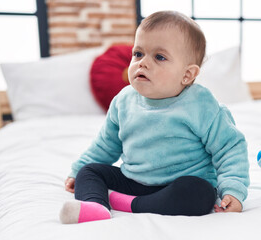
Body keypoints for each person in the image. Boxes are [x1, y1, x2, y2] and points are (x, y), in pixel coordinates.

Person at [59, 10, 249, 224]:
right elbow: (106, 145)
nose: (142, 63)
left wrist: (233, 189)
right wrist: (77, 170)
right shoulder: (124, 100)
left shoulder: (202, 104)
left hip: (179, 184)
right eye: (138, 53)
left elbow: (230, 148)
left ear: (187, 75)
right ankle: (96, 206)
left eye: (159, 57)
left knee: (200, 193)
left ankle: (130, 204)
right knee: (89, 171)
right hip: (133, 181)